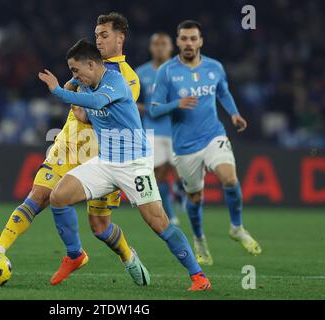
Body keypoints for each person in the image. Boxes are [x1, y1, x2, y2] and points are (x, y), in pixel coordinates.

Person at [0, 12, 148, 287]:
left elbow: (91, 112)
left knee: (99, 227)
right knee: (39, 195)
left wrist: (71, 97)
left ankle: (127, 256)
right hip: (67, 146)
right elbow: (78, 104)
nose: (98, 40)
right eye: (96, 34)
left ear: (120, 38)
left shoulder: (128, 79)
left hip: (100, 155)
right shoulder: (85, 65)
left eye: (104, 35)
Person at [38, 39, 211, 291]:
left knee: (159, 223)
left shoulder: (115, 80)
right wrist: (76, 98)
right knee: (59, 196)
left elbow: (98, 103)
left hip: (134, 164)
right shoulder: (86, 86)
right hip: (106, 162)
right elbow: (88, 114)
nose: (74, 75)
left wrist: (58, 90)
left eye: (76, 70)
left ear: (91, 64)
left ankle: (199, 277)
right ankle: (75, 255)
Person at [150, 20, 262, 265]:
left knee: (230, 179)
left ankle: (237, 227)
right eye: (184, 39)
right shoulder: (167, 71)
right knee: (195, 198)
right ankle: (199, 240)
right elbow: (155, 109)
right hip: (185, 146)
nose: (189, 43)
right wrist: (175, 105)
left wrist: (234, 114)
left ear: (200, 41)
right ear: (177, 42)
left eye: (193, 38)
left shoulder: (215, 67)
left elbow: (222, 91)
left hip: (214, 136)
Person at [136, 32, 185, 226]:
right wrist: (148, 109)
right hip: (152, 131)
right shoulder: (141, 73)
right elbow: (133, 102)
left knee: (182, 174)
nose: (159, 48)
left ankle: (180, 193)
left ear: (171, 47)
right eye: (156, 44)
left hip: (176, 130)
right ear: (150, 47)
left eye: (163, 44)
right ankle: (169, 214)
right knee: (156, 175)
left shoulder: (180, 71)